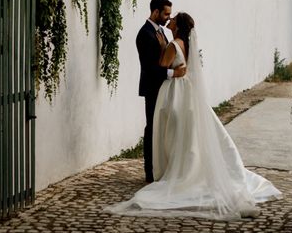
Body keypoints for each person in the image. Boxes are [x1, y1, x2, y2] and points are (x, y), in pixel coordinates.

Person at [106, 12, 282, 220]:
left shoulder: (173, 44)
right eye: (167, 16)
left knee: (173, 131)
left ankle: (176, 170)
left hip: (175, 91)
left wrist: (164, 49)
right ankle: (188, 166)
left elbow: (162, 65)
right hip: (187, 90)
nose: (169, 20)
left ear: (178, 26)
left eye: (172, 19)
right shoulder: (187, 44)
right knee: (190, 131)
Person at [135, 0, 186, 183]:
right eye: (166, 13)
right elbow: (150, 67)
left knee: (162, 128)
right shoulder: (145, 34)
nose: (168, 17)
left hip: (164, 89)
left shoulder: (162, 33)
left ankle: (162, 166)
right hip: (152, 88)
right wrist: (174, 73)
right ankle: (150, 172)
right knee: (151, 129)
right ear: (155, 12)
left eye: (169, 14)